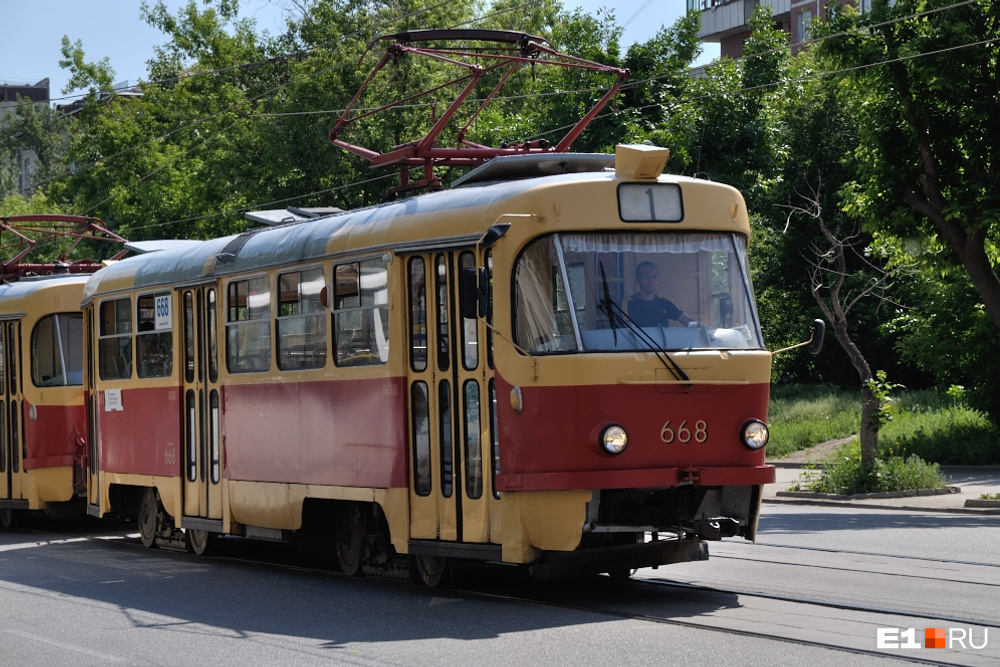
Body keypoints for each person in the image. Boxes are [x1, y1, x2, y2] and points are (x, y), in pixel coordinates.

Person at [622, 261, 697, 327]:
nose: (651, 280)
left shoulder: (665, 303)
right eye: (647, 276)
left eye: (654, 276)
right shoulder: (628, 303)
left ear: (658, 279)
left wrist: (705, 329)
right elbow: (628, 329)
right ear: (637, 280)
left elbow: (689, 321)